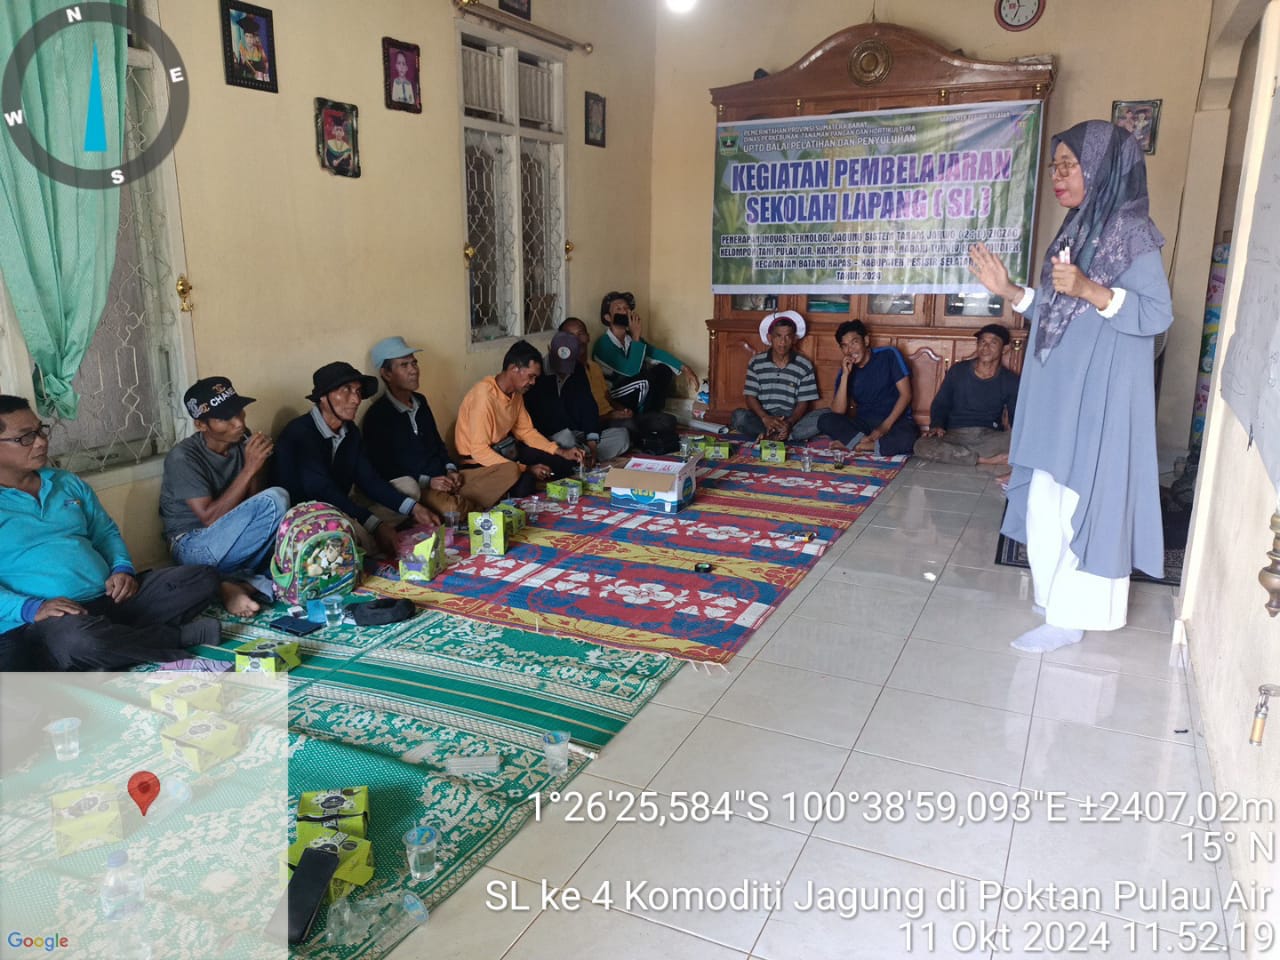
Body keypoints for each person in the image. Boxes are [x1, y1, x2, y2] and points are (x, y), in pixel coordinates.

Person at [968, 119, 1172, 653]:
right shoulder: (1075, 228)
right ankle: (1052, 597)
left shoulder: (1132, 232)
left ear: (1102, 169)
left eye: (1069, 165)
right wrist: (1009, 289)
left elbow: (1157, 313)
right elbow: (1054, 312)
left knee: (1081, 498)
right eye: (1055, 165)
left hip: (1097, 395)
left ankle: (1073, 615)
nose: (1058, 175)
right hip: (1056, 390)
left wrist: (1091, 288)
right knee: (1045, 498)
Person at [0, 396, 221, 671]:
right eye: (25, 437)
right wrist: (32, 609)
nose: (41, 441)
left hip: (110, 597)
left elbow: (104, 532)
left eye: (40, 430)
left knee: (202, 577)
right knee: (80, 641)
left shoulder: (65, 482)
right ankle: (172, 637)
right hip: (48, 618)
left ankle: (112, 643)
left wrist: (122, 569)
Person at [275, 362, 437, 557]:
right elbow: (321, 491)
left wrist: (414, 508)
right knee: (354, 535)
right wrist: (375, 524)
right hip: (311, 516)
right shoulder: (300, 434)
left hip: (343, 505)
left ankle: (365, 542)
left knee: (409, 488)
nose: (356, 399)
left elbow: (369, 480)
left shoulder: (350, 432)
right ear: (323, 398)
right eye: (346, 391)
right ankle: (363, 545)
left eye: (358, 391)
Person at [159, 377, 289, 614]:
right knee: (277, 498)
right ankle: (242, 582)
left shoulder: (242, 440)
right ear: (201, 425)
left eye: (239, 412)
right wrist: (250, 467)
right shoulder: (183, 458)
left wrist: (257, 466)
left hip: (231, 541)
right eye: (225, 418)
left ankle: (230, 585)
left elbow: (257, 507)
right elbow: (208, 518)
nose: (238, 423)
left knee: (296, 543)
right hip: (193, 546)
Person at [362, 336, 518, 516]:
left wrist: (451, 469)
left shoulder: (420, 402)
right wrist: (429, 482)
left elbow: (438, 444)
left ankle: (462, 504)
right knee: (451, 508)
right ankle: (466, 507)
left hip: (446, 477)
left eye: (414, 363)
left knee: (510, 470)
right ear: (386, 374)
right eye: (404, 365)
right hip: (423, 488)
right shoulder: (378, 415)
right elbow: (386, 470)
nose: (413, 370)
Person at [454, 340, 584, 496]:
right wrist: (525, 468)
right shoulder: (484, 396)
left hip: (505, 451)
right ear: (513, 369)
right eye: (530, 376)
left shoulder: (515, 393)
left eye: (535, 378)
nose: (533, 382)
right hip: (478, 462)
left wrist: (561, 451)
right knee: (525, 483)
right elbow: (479, 451)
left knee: (562, 463)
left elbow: (526, 432)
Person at [913, 324, 1020, 467]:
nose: (985, 347)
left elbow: (1016, 416)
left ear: (1005, 349)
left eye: (993, 343)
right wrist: (937, 425)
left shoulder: (1010, 380)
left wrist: (1016, 438)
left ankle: (961, 455)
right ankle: (983, 460)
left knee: (1019, 440)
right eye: (982, 342)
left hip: (989, 436)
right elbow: (941, 403)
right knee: (921, 445)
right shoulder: (958, 371)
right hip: (955, 435)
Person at [526, 331, 631, 466]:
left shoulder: (578, 370)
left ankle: (583, 456)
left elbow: (588, 406)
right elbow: (538, 422)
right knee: (565, 438)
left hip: (577, 434)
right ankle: (579, 456)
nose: (563, 372)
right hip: (552, 438)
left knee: (622, 436)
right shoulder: (537, 376)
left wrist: (592, 444)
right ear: (549, 349)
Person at [815, 320, 917, 456]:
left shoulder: (889, 355)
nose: (850, 350)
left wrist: (884, 427)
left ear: (866, 340)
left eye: (854, 342)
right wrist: (845, 375)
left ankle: (856, 444)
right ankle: (865, 443)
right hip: (864, 424)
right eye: (844, 346)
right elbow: (838, 411)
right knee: (825, 420)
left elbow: (906, 395)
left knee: (909, 438)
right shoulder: (846, 370)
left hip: (894, 421)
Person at [591, 291, 698, 414]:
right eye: (618, 309)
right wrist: (636, 335)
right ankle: (643, 416)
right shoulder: (604, 344)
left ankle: (655, 413)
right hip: (613, 394)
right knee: (643, 379)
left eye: (626, 308)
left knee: (663, 370)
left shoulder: (629, 338)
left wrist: (685, 368)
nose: (624, 312)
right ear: (608, 317)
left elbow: (655, 353)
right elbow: (630, 371)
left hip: (634, 388)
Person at [731, 311, 823, 441]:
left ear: (794, 339)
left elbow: (803, 402)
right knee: (738, 416)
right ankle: (780, 435)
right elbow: (750, 396)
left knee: (825, 416)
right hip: (763, 418)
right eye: (778, 336)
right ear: (770, 338)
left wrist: (789, 423)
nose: (782, 342)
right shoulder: (756, 362)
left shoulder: (804, 365)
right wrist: (765, 418)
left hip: (791, 419)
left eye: (788, 337)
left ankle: (775, 434)